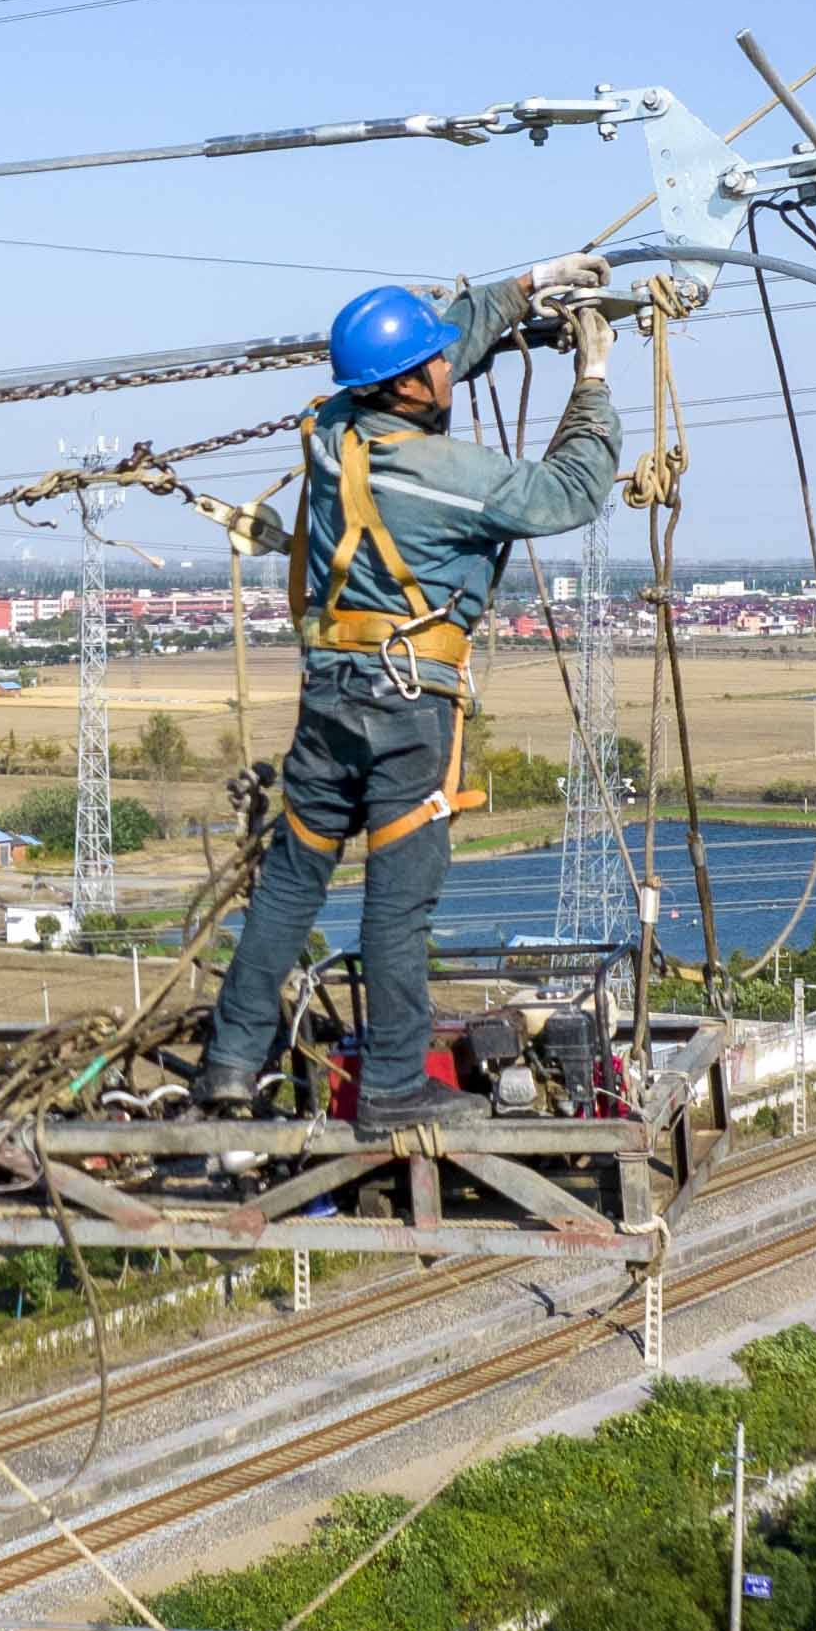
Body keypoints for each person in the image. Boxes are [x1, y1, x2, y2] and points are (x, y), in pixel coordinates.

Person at [196, 253, 618, 1133]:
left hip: (330, 699)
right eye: (434, 365)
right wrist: (593, 381)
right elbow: (569, 492)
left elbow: (428, 353)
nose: (446, 370)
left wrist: (522, 289)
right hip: (407, 708)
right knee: (399, 900)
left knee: (290, 883)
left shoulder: (331, 430)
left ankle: (232, 1062)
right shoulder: (449, 477)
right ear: (412, 384)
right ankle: (392, 1088)